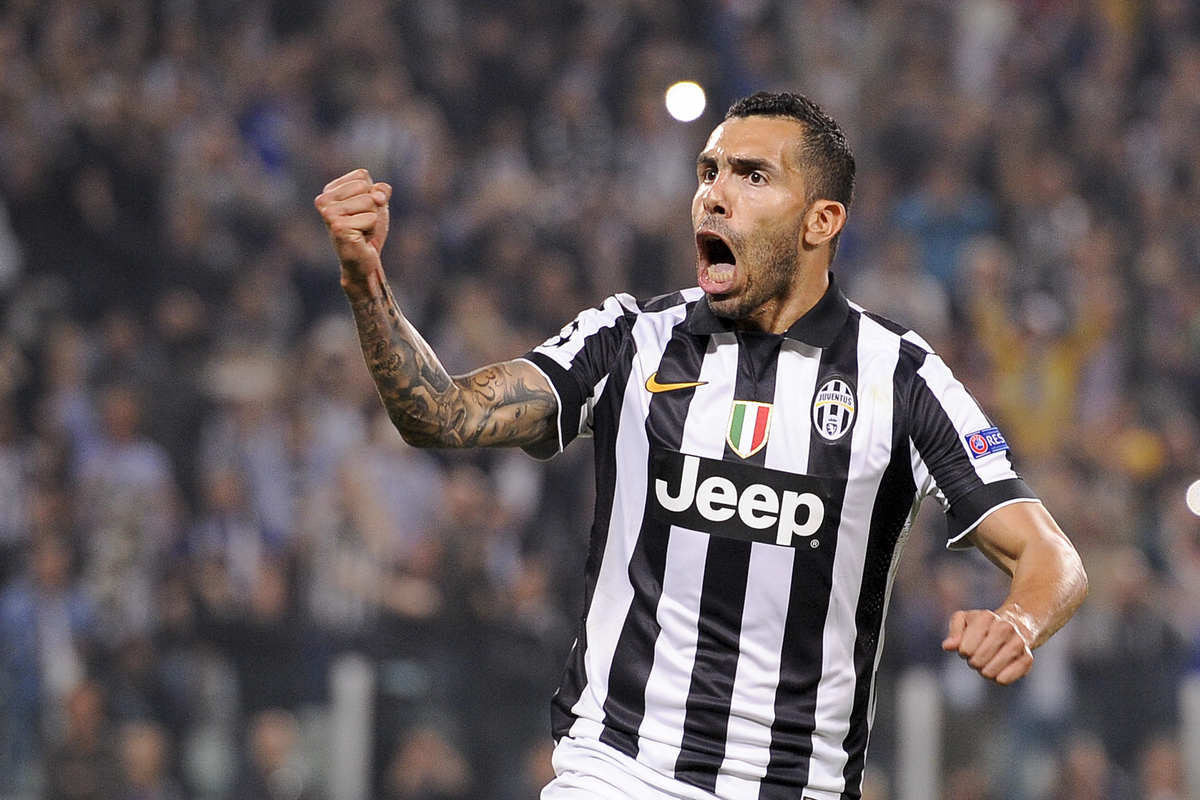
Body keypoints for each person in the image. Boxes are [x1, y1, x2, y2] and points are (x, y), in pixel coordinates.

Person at [315, 91, 1088, 800]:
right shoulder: (630, 340)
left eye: (752, 176)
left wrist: (1017, 622)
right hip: (618, 773)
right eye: (709, 171)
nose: (714, 193)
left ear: (821, 221)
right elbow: (441, 413)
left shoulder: (901, 377)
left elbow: (1052, 557)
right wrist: (365, 284)